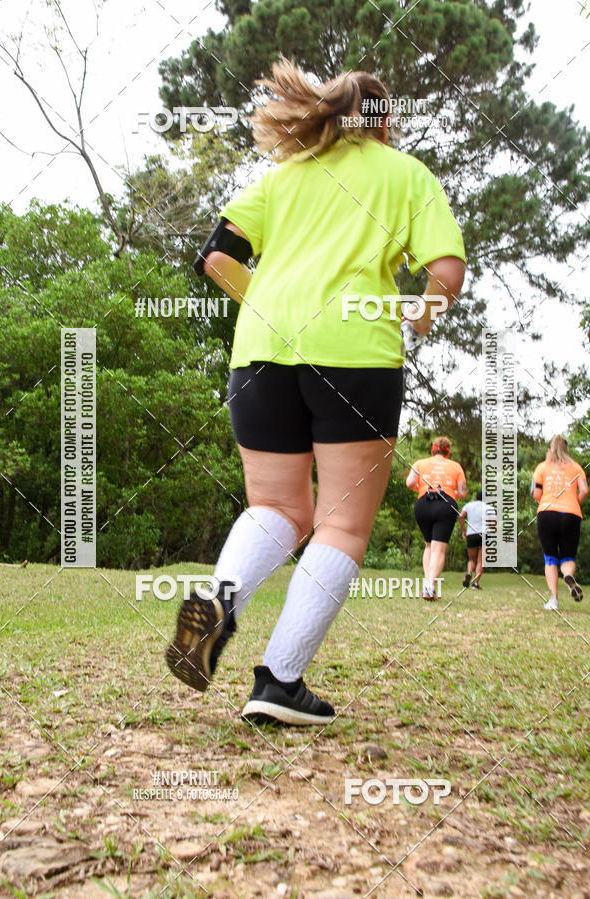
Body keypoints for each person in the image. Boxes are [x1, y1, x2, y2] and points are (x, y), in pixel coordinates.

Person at [165, 57, 466, 725]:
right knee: (341, 524)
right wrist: (419, 316)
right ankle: (278, 681)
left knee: (276, 507)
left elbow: (216, 255)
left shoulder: (282, 175)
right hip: (355, 354)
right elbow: (446, 270)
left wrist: (271, 305)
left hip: (261, 351)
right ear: (383, 123)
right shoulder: (406, 175)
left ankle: (214, 605)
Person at [406, 437, 467, 600]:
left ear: (433, 450)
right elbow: (463, 492)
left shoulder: (420, 463)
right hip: (446, 504)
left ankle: (427, 585)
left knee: (428, 546)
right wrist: (450, 491)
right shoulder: (456, 466)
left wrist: (422, 488)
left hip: (423, 503)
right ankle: (430, 586)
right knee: (438, 548)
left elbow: (409, 482)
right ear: (448, 451)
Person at [532, 435, 588, 610]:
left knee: (550, 557)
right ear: (567, 450)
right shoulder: (577, 468)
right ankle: (568, 575)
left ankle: (553, 600)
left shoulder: (541, 467)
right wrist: (574, 502)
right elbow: (585, 490)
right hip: (571, 513)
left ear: (549, 450)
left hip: (547, 512)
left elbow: (535, 493)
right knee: (568, 556)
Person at [459, 489, 496, 590]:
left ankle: (468, 572)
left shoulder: (469, 505)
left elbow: (461, 516)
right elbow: (493, 524)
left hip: (471, 534)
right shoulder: (489, 507)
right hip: (484, 534)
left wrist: (463, 530)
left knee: (471, 559)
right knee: (481, 561)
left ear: (476, 497)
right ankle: (475, 584)